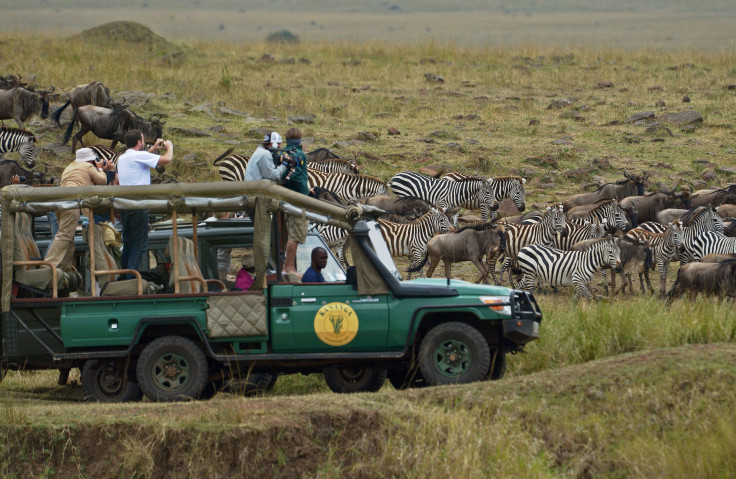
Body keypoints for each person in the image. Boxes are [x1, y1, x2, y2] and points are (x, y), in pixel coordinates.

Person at [44, 148, 114, 272]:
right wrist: (102, 169)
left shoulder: (70, 166)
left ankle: (65, 268)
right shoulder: (87, 166)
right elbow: (102, 181)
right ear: (91, 159)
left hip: (61, 199)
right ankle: (48, 267)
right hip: (72, 198)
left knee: (67, 234)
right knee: (65, 234)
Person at [117, 130, 172, 275]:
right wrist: (169, 146)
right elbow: (167, 159)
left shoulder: (122, 158)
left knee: (128, 244)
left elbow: (140, 158)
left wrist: (153, 149)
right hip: (139, 205)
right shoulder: (140, 156)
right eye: (143, 140)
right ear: (139, 142)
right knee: (140, 244)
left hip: (125, 206)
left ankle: (124, 278)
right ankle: (131, 279)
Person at [281, 127, 310, 277]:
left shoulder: (282, 153)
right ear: (300, 140)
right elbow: (297, 177)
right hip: (298, 198)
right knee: (296, 234)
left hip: (285, 196)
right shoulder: (299, 155)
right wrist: (305, 193)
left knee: (290, 231)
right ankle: (289, 267)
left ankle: (287, 266)